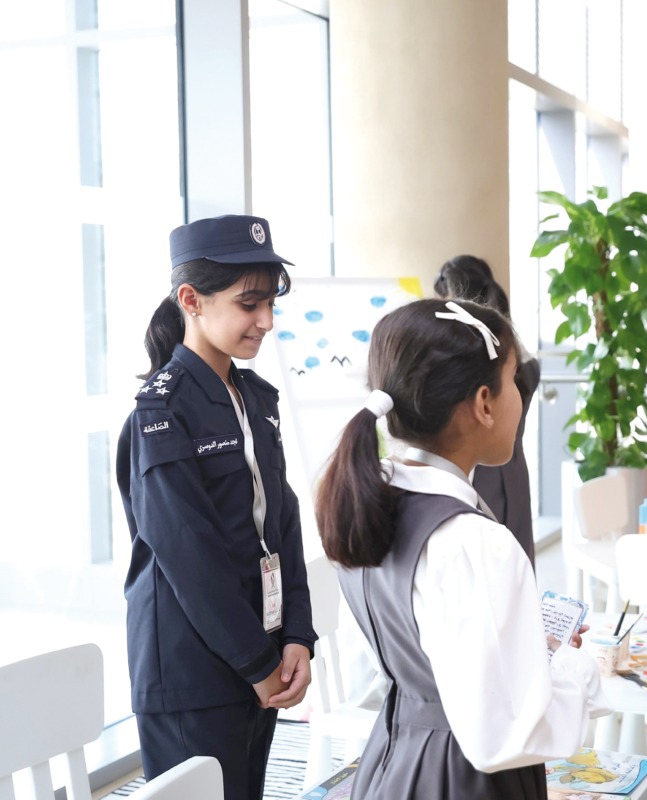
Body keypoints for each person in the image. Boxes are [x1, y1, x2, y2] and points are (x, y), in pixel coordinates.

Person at [316, 298, 608, 798]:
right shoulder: (475, 543)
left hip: (393, 764)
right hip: (464, 780)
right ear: (483, 403)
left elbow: (383, 671)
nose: (520, 395)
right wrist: (577, 667)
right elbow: (508, 734)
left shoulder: (368, 502)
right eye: (514, 379)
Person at [116, 215, 315, 800]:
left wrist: (297, 635)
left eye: (271, 302)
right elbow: (187, 557)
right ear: (191, 300)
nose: (267, 321)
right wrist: (258, 663)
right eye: (249, 303)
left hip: (260, 658)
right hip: (194, 675)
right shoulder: (160, 415)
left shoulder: (254, 398)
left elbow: (283, 522)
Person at [433, 254, 541, 567]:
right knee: (515, 563)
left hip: (478, 469)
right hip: (513, 467)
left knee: (488, 563)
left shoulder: (479, 362)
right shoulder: (519, 353)